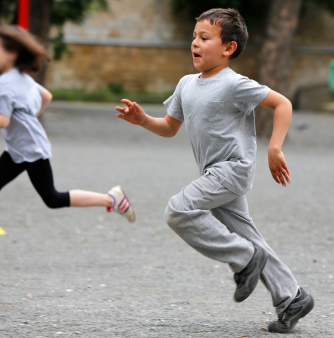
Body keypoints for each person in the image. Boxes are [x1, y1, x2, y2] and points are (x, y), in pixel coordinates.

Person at [116, 8, 313, 333]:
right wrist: (142, 120)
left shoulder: (234, 84)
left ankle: (244, 258)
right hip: (213, 173)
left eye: (204, 38)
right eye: (194, 36)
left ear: (228, 48)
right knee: (247, 234)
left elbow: (283, 104)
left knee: (178, 210)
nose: (195, 42)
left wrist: (274, 147)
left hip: (232, 170)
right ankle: (292, 297)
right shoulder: (186, 84)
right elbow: (168, 127)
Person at [0, 25, 135, 265]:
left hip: (31, 151)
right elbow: (46, 96)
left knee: (52, 198)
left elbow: (2, 121)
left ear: (11, 54)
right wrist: (29, 123)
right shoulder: (22, 77)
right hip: (21, 149)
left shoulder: (7, 83)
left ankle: (111, 199)